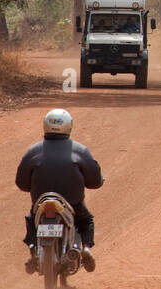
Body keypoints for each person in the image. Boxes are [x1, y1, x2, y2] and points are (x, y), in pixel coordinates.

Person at [16, 108, 103, 274]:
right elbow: (95, 182)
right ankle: (85, 248)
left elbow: (21, 183)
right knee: (86, 220)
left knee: (31, 219)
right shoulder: (80, 150)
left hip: (41, 202)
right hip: (73, 203)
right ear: (69, 127)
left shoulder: (33, 151)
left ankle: (34, 250)